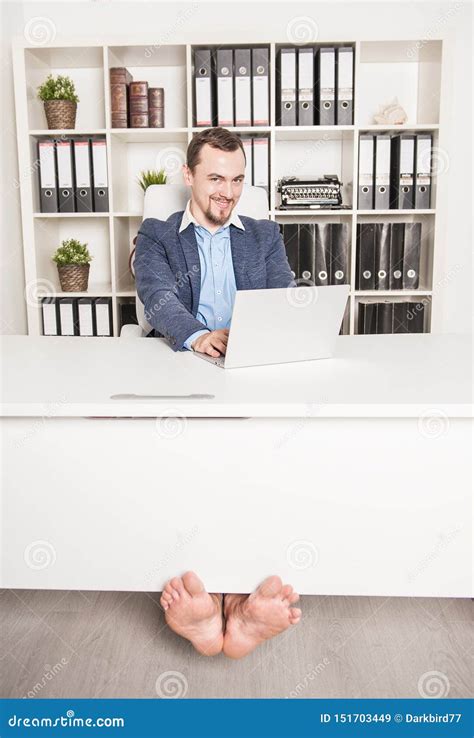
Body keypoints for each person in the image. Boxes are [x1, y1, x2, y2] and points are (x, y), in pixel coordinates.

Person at [134, 127, 301, 659]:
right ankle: (231, 612)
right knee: (201, 461)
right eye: (214, 179)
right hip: (184, 367)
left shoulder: (263, 234)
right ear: (188, 177)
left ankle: (223, 613)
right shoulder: (159, 232)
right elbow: (156, 296)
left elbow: (284, 298)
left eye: (237, 180)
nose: (227, 192)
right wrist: (200, 336)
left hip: (249, 371)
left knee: (256, 460)